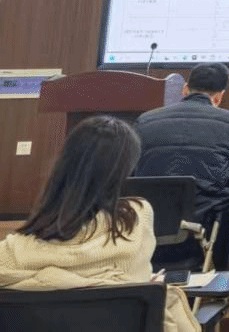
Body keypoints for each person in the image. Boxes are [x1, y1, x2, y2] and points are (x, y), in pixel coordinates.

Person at [0, 115, 199, 332]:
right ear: (125, 170)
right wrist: (145, 284)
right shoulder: (136, 218)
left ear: (63, 164)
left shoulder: (12, 253)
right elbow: (131, 278)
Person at [135, 62, 229, 266]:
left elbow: (131, 172)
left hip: (150, 224)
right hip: (202, 227)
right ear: (219, 96)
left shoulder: (145, 120)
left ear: (185, 89)